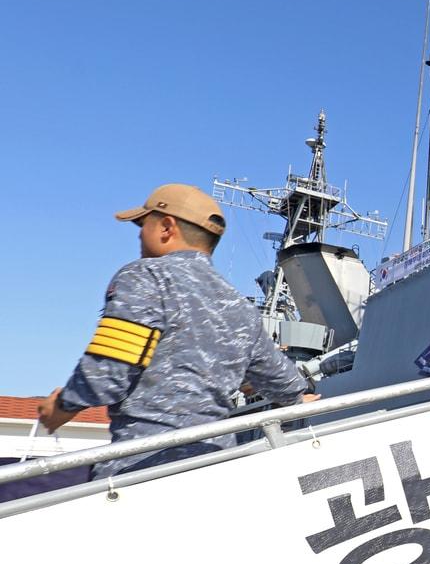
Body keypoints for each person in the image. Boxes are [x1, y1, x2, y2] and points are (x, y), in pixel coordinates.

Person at [36, 184, 314, 480]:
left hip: (142, 470)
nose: (140, 234)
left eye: (143, 224)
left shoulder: (146, 276)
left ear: (166, 227)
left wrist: (62, 406)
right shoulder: (240, 306)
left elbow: (107, 374)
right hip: (217, 470)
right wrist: (300, 399)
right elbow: (286, 385)